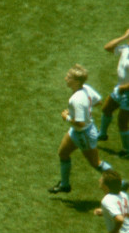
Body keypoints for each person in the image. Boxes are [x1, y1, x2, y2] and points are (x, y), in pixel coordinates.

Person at [48, 64, 113, 193]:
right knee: (63, 153)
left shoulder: (76, 100)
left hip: (84, 134)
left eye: (69, 77)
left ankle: (118, 181)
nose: (66, 78)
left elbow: (80, 123)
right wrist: (86, 107)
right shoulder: (86, 89)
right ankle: (65, 185)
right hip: (77, 131)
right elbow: (98, 101)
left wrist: (66, 117)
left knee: (96, 163)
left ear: (76, 81)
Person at [98, 29, 129, 158]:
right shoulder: (126, 48)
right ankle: (102, 134)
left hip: (127, 92)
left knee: (122, 121)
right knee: (106, 109)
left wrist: (125, 88)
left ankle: (126, 149)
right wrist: (124, 37)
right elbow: (108, 47)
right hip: (120, 88)